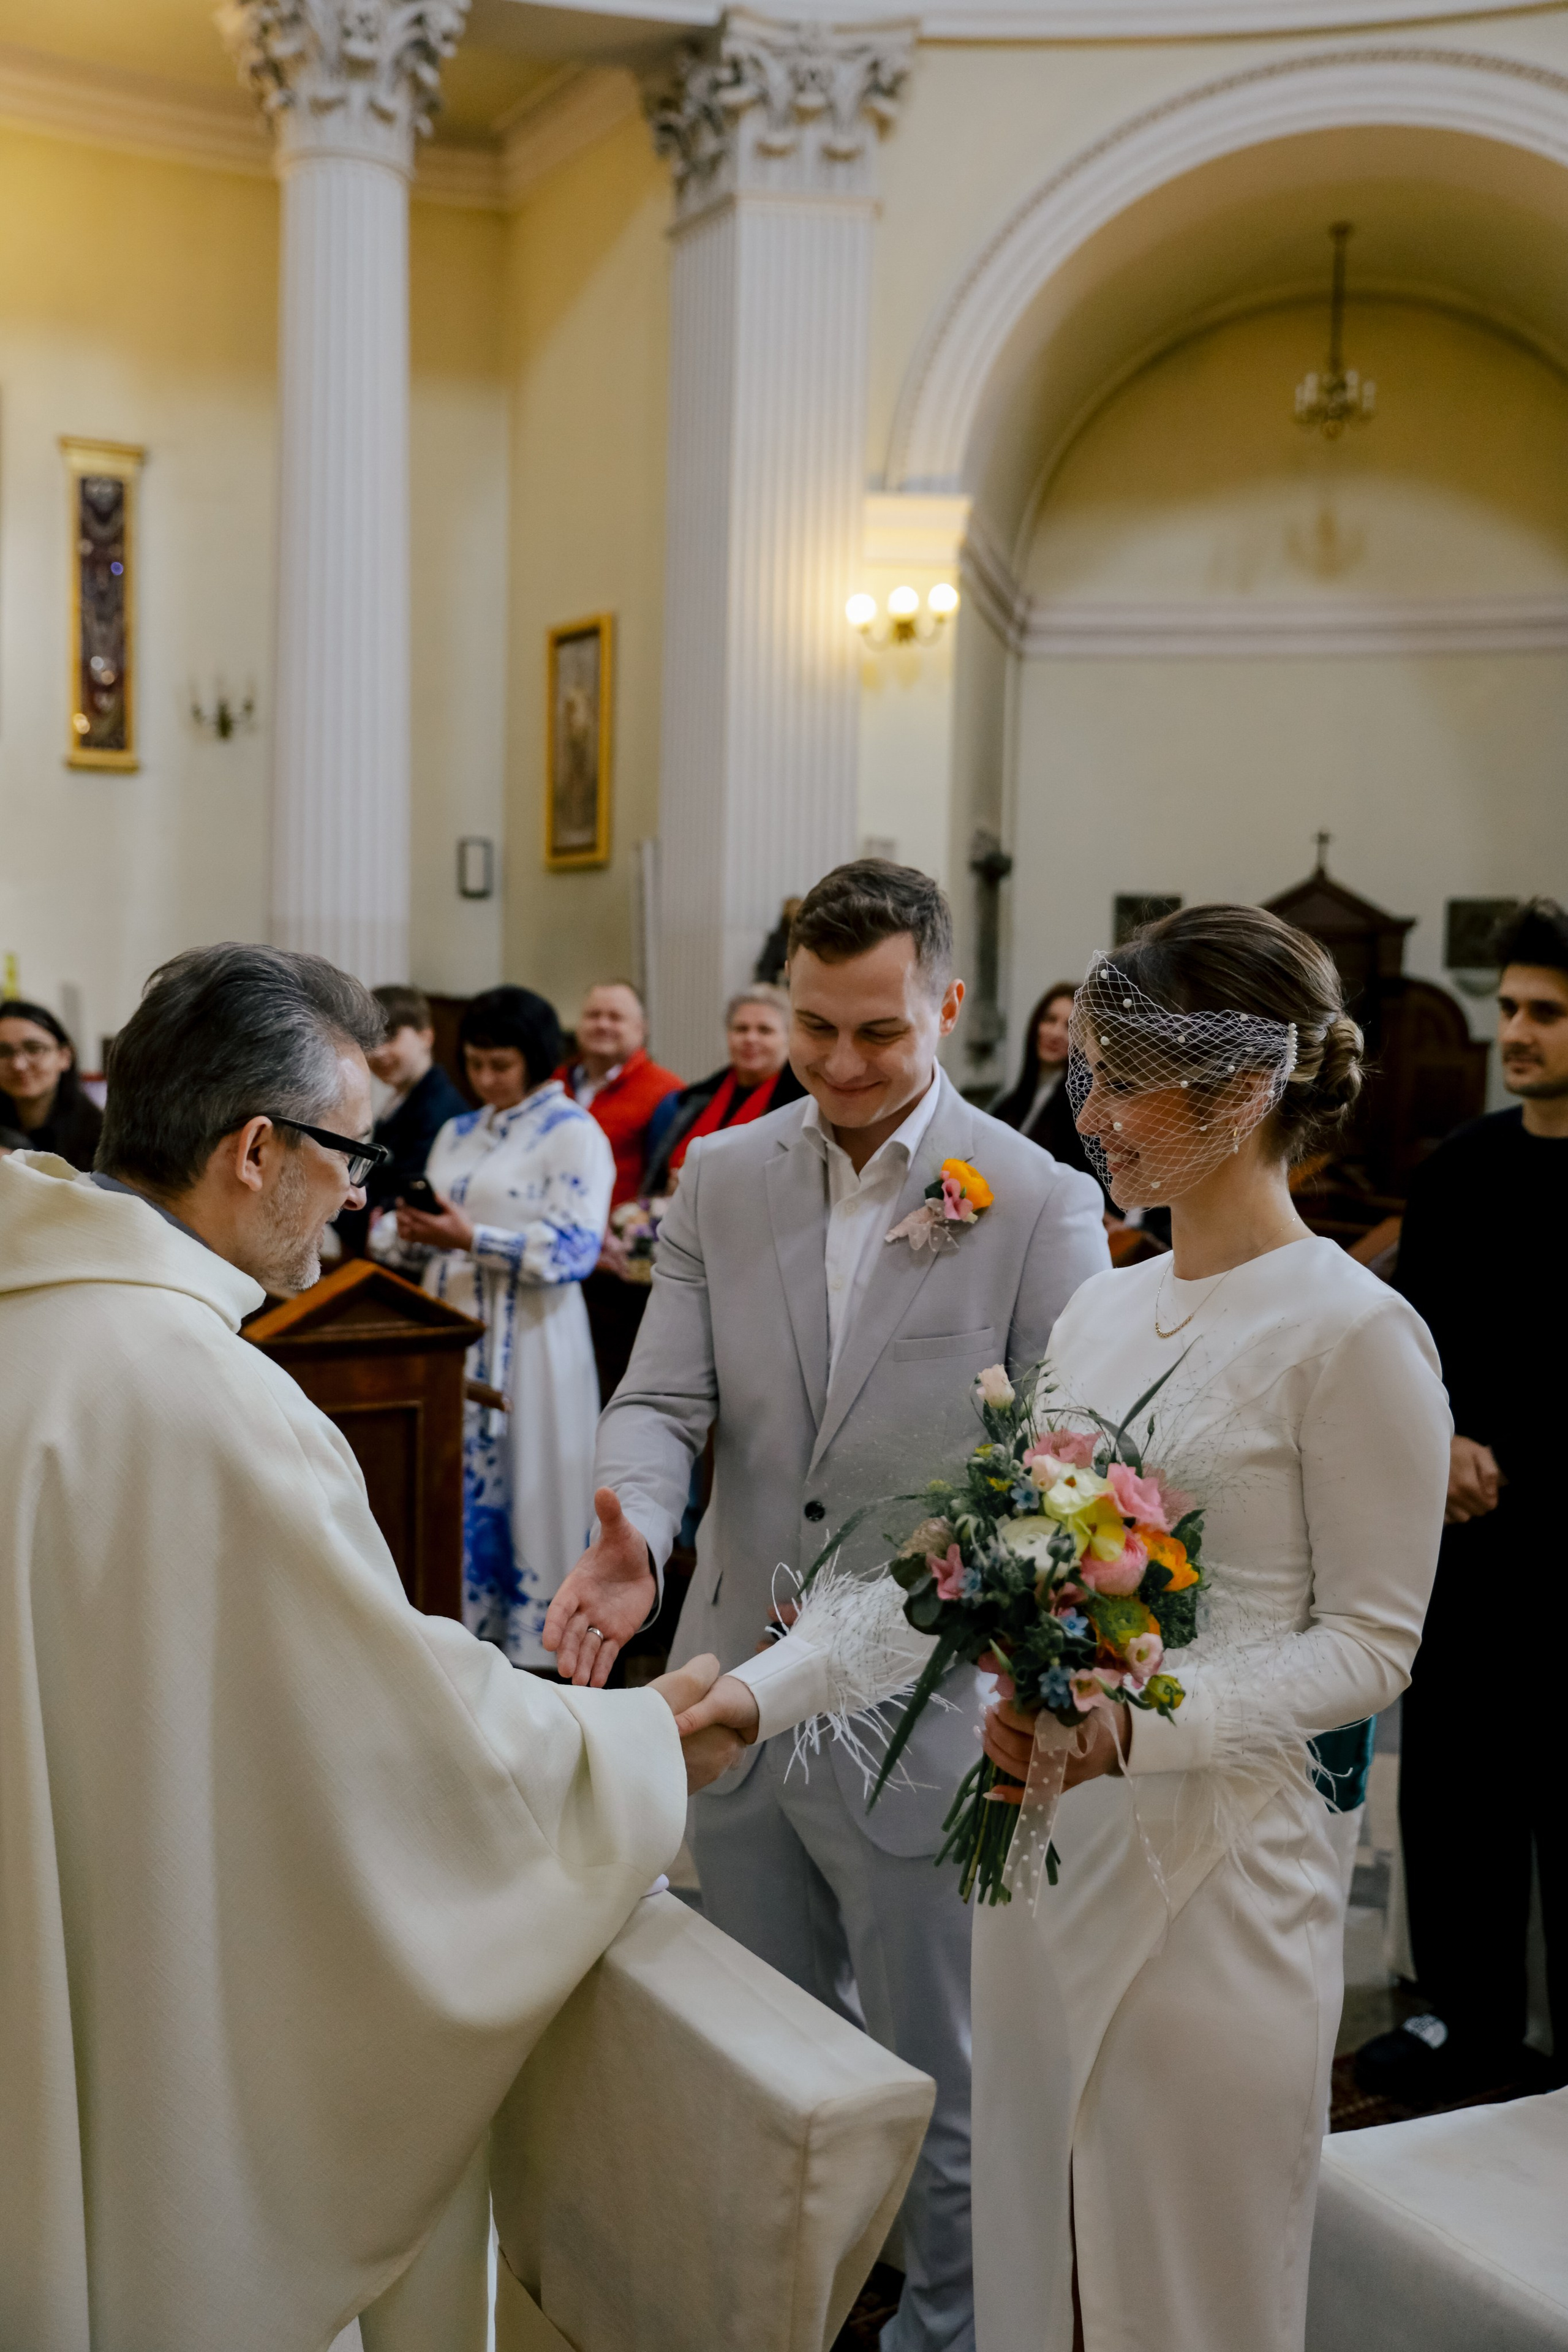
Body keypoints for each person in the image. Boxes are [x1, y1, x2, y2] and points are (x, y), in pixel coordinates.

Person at [681, 903, 1452, 2352]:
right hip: (1039, 1847)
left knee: (1187, 2271)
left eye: (1114, 1079)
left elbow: (1367, 1645)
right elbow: (976, 1573)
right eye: (1084, 1076)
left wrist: (1130, 1723)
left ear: (1230, 1090)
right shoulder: (1099, 1305)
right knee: (1029, 2248)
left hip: (1219, 1867)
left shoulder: (1349, 1330)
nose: (1085, 1112)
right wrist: (759, 1694)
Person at [0, 941, 729, 2352]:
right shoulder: (210, 1401)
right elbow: (400, 1744)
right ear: (254, 1146)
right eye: (352, 1151)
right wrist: (633, 1739)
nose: (363, 1191)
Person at [545, 860, 1110, 2352]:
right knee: (760, 2055)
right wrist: (637, 1534)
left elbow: (1058, 1470)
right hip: (729, 1679)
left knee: (941, 2072)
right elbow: (661, 1396)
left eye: (879, 1033)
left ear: (947, 1002)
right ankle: (779, 2312)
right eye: (814, 1029)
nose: (844, 1067)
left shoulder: (1037, 1196)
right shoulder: (723, 1175)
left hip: (923, 1710)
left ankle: (944, 2325)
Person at [1356, 896, 1568, 2108]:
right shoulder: (1461, 1171)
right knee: (1457, 1794)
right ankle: (1464, 2022)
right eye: (1508, 1010)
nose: (1516, 1032)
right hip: (1473, 1550)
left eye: (1544, 1013)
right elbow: (1408, 1350)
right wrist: (1438, 1438)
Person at [383, 985, 614, 1667]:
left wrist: (472, 1236)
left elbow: (574, 1248)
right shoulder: (459, 1130)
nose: (486, 1079)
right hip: (452, 1327)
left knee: (533, 1479)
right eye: (476, 1064)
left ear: (537, 1059)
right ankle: (456, 1642)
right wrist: (414, 1232)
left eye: (501, 1065)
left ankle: (539, 1653)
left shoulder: (573, 1132)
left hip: (535, 1341)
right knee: (451, 1481)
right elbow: (434, 1231)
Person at [556, 978, 682, 1402]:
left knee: (613, 1394)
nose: (603, 1025)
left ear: (642, 1028)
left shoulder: (666, 1093)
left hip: (618, 1280)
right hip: (554, 1264)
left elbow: (665, 1188)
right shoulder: (555, 1083)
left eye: (616, 1017)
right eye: (594, 1015)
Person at [334, 982, 468, 1257]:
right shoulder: (403, 1101)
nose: (378, 1052)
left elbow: (405, 1199)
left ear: (426, 1036)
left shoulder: (439, 1111)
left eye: (391, 1036)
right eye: (370, 1041)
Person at [643, 982, 806, 1196]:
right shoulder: (696, 1098)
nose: (750, 1038)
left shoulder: (801, 1105)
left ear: (789, 1038)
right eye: (741, 1029)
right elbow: (657, 1177)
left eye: (765, 1030)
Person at [992, 985, 1118, 1217]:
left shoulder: (1084, 1103)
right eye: (1050, 1020)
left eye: (1070, 1027)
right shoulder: (1011, 1102)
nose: (1056, 1033)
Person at [0, 998, 102, 1170]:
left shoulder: (101, 1139)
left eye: (34, 1048)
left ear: (65, 1056)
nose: (19, 1065)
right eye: (4, 1052)